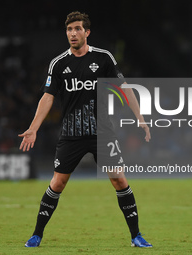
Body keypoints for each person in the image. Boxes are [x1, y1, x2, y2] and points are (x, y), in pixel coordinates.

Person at [19, 11, 152, 248]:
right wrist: (33, 128)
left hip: (102, 133)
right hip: (71, 134)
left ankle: (136, 236)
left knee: (119, 180)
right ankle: (37, 235)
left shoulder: (103, 58)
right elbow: (47, 98)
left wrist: (140, 117)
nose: (73, 33)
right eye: (69, 30)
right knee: (57, 183)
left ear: (86, 32)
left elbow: (125, 88)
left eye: (77, 29)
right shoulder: (58, 63)